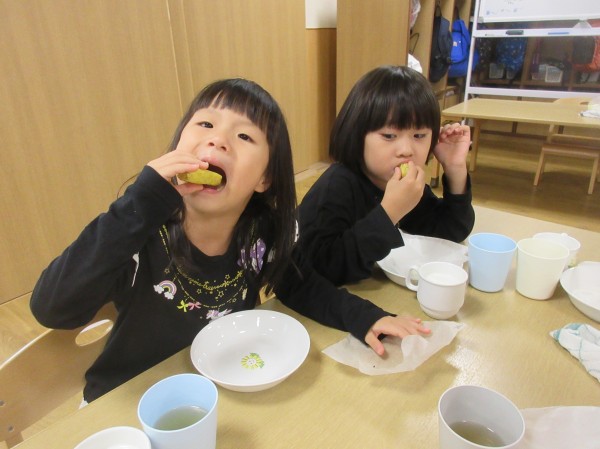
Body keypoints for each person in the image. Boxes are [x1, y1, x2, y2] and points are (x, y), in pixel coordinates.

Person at [30, 78, 430, 403]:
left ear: (265, 178)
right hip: (127, 404)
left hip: (217, 394)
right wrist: (140, 202)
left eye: (244, 136)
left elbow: (302, 285)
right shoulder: (139, 233)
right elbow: (52, 308)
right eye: (205, 125)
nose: (218, 140)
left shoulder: (261, 237)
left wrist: (364, 317)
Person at [297, 65, 475, 286]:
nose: (406, 150)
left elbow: (450, 233)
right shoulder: (336, 188)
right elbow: (319, 268)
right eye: (389, 136)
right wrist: (389, 212)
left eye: (419, 135)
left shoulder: (402, 184)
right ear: (357, 134)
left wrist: (455, 168)